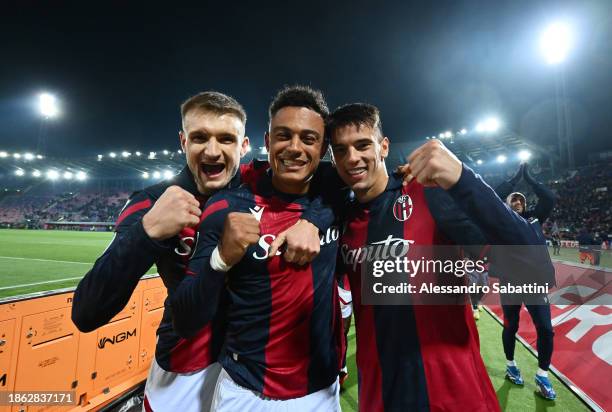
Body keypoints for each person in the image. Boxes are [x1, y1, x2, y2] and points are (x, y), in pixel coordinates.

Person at [71, 91, 325, 412]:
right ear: (183, 141)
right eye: (200, 137)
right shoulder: (153, 202)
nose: (213, 151)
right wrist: (147, 232)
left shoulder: (266, 183)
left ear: (244, 146)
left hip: (257, 370)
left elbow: (332, 179)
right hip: (186, 367)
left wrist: (314, 219)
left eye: (226, 139)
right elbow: (86, 311)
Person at [327, 103, 554, 411]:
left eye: (362, 144)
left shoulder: (428, 194)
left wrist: (463, 178)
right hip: (380, 399)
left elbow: (531, 262)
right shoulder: (340, 221)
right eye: (340, 150)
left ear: (383, 146)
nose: (352, 157)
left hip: (455, 397)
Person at [170, 86, 343, 411]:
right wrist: (221, 259)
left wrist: (313, 221)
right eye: (283, 135)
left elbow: (359, 180)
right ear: (266, 141)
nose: (294, 147)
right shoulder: (227, 207)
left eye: (308, 138)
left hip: (321, 391)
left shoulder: (335, 195)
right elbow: (184, 319)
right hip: (246, 393)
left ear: (323, 150)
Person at [495, 163, 558, 399]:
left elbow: (549, 198)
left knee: (546, 329)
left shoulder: (534, 219)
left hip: (534, 283)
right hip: (510, 282)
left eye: (521, 200)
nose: (518, 202)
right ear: (506, 204)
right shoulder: (500, 220)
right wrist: (513, 181)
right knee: (511, 325)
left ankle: (543, 375)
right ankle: (511, 365)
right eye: (514, 199)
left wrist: (530, 180)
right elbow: (491, 196)